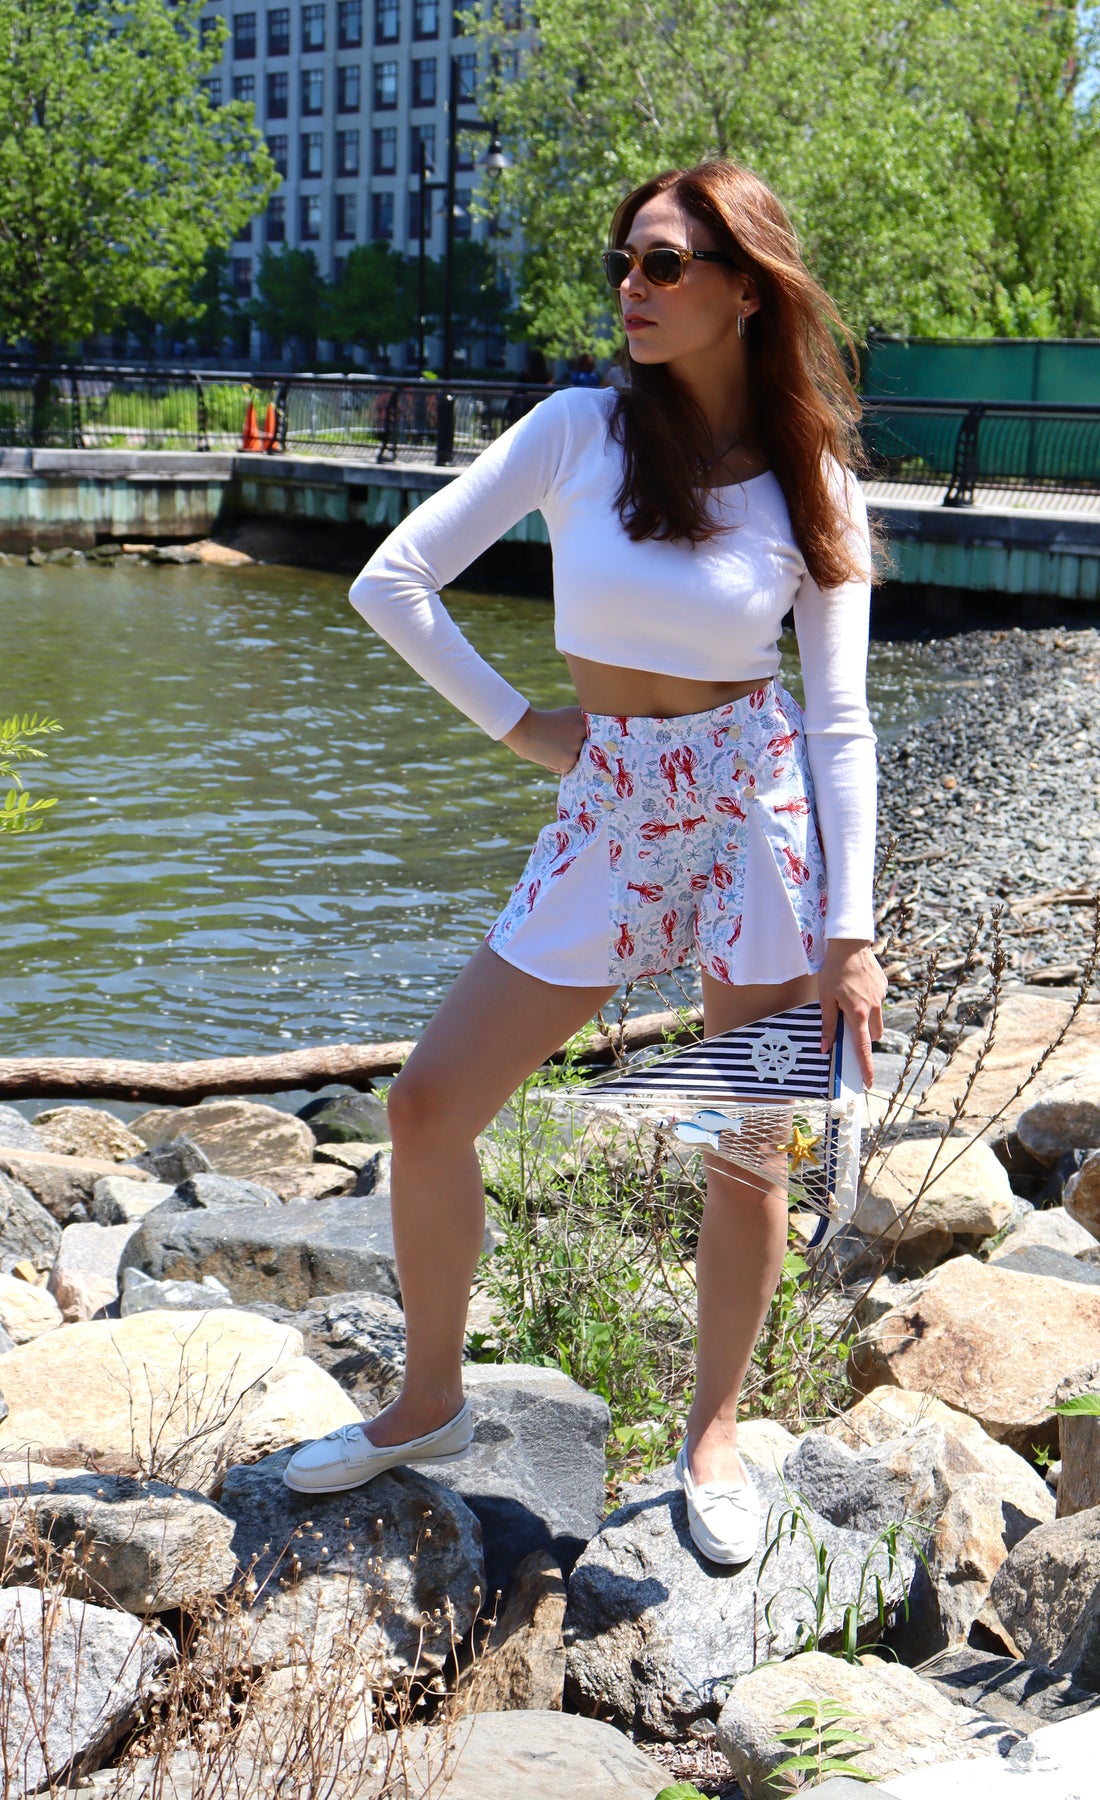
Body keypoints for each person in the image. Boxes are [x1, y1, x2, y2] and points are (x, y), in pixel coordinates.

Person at [284, 159, 887, 1567]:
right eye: (625, 259)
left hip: (755, 815)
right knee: (430, 1105)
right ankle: (427, 1400)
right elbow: (392, 582)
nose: (633, 284)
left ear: (747, 287)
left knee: (741, 1150)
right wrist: (519, 726)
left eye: (665, 263)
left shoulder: (816, 486)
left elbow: (843, 721)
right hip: (612, 805)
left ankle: (714, 1433)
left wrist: (850, 933)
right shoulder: (575, 432)